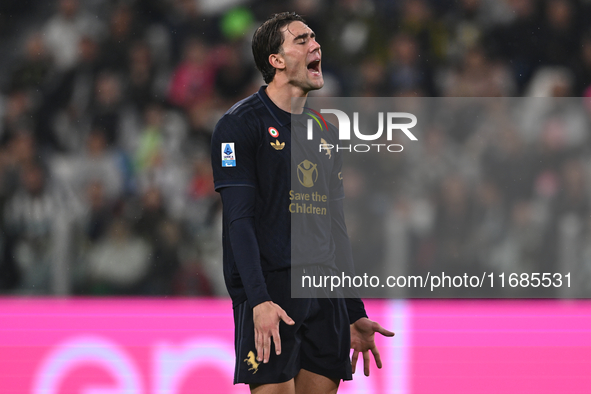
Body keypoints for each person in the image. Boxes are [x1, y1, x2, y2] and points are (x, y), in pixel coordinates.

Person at [211, 12, 394, 394]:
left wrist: (354, 309)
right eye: (301, 40)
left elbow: (336, 227)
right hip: (273, 291)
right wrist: (258, 300)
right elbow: (238, 223)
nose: (315, 45)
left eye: (315, 37)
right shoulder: (240, 125)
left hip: (325, 294)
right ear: (275, 61)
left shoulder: (326, 130)